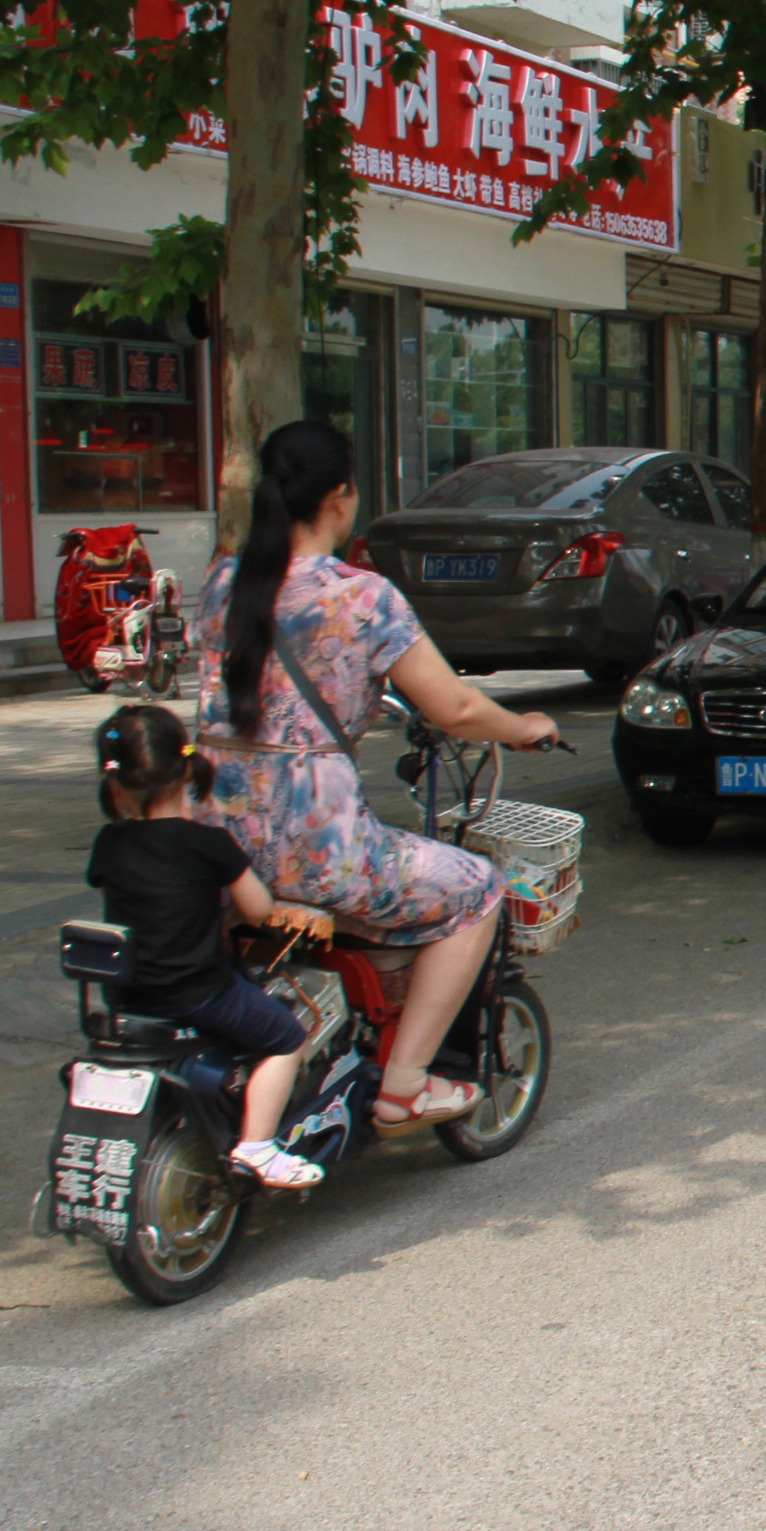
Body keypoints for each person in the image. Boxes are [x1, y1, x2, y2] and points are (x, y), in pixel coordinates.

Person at [194, 421, 563, 1134]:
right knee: (477, 891)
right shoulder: (362, 597)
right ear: (339, 496)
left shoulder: (221, 583)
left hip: (214, 836)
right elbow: (452, 706)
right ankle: (405, 1083)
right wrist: (525, 728)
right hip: (316, 850)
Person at [87, 703, 335, 1188]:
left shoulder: (107, 844)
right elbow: (261, 910)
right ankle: (259, 1149)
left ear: (115, 784)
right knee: (286, 1039)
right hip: (199, 994)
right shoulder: (209, 844)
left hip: (128, 997)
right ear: (187, 770)